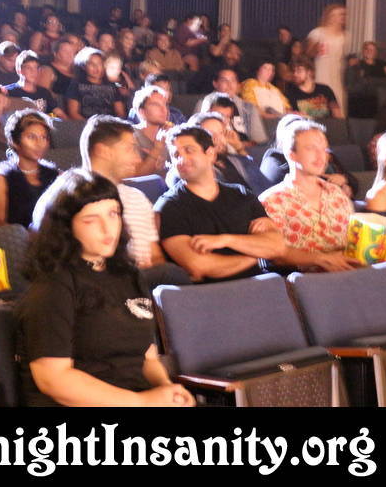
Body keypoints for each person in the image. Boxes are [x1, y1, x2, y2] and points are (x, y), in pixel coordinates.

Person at [17, 168, 194, 407]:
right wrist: (143, 402)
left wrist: (167, 390)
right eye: (91, 220)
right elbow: (53, 380)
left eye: (113, 214)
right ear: (66, 227)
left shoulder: (128, 275)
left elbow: (147, 358)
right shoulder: (53, 285)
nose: (107, 228)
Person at [155, 124, 285, 282]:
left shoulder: (241, 194)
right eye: (176, 155)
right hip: (211, 293)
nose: (181, 160)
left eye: (189, 150)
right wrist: (257, 254)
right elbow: (200, 266)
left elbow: (277, 246)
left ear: (210, 154)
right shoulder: (169, 206)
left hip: (259, 287)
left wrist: (226, 240)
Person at [259, 117, 357, 271]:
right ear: (291, 154)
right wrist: (321, 259)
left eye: (324, 149)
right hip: (302, 281)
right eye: (311, 148)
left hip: (349, 275)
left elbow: (354, 241)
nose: (321, 156)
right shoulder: (272, 200)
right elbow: (275, 256)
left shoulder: (336, 193)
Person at [80, 115, 166, 269]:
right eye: (130, 149)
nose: (137, 159)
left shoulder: (137, 197)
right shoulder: (73, 199)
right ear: (103, 151)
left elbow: (156, 256)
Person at [0, 109, 57, 228]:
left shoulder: (55, 175)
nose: (39, 143)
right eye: (31, 137)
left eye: (44, 137)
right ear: (14, 141)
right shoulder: (0, 178)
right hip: (15, 238)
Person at [199, 68, 268, 145]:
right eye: (224, 80)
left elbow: (259, 139)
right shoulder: (205, 103)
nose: (229, 85)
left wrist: (240, 145)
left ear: (238, 85)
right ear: (215, 84)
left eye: (233, 80)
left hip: (246, 147)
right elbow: (198, 134)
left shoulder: (248, 107)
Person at [306, 4, 348, 113]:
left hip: (337, 77)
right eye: (339, 14)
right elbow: (307, 53)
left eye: (344, 14)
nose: (342, 17)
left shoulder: (345, 36)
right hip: (321, 74)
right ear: (330, 16)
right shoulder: (318, 33)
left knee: (338, 108)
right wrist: (316, 49)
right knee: (318, 109)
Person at [65, 48, 125, 120]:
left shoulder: (112, 86)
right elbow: (73, 113)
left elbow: (120, 112)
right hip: (85, 124)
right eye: (91, 64)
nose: (96, 67)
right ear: (83, 66)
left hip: (110, 124)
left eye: (99, 63)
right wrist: (90, 124)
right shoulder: (76, 85)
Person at [5, 50, 67, 118]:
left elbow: (57, 113)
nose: (33, 72)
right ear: (19, 71)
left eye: (36, 68)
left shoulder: (44, 92)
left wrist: (55, 117)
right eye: (29, 68)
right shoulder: (9, 92)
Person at [131, 86, 171, 177]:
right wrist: (158, 148)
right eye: (156, 105)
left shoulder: (169, 133)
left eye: (165, 104)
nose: (164, 109)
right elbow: (137, 176)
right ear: (141, 111)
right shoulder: (130, 136)